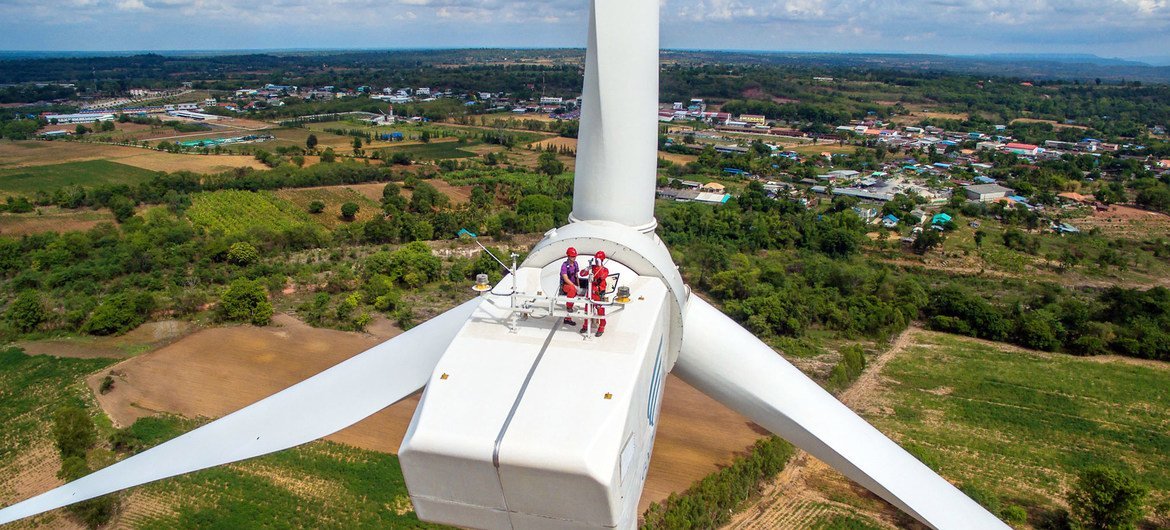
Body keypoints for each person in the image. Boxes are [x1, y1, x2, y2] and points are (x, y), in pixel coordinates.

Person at [579, 250, 609, 336]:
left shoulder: (604, 270)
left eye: (598, 259)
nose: (596, 261)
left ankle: (602, 326)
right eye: (596, 259)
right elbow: (582, 274)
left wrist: (599, 267)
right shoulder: (592, 267)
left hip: (598, 293)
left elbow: (602, 276)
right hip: (590, 292)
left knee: (600, 310)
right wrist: (586, 269)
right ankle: (585, 325)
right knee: (587, 309)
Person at [560, 247, 580, 325]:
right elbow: (565, 278)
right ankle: (569, 307)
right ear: (568, 256)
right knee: (572, 289)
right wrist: (575, 286)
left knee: (576, 290)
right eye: (572, 256)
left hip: (573, 285)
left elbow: (576, 275)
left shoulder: (575, 264)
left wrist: (578, 286)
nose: (574, 257)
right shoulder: (564, 265)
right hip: (566, 286)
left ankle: (567, 318)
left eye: (575, 256)